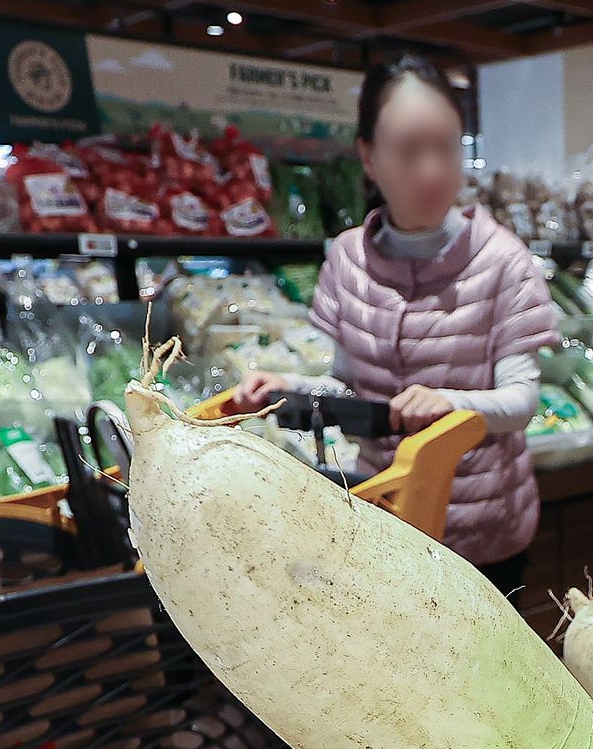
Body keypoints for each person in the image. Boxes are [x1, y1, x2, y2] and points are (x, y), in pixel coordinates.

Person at [229, 53, 560, 599]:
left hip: (483, 536)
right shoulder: (347, 259)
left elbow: (521, 400)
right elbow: (350, 388)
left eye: (447, 148)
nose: (432, 170)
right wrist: (293, 392)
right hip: (384, 518)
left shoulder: (504, 260)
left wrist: (452, 403)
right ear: (369, 157)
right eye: (409, 151)